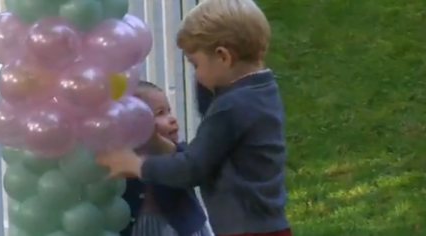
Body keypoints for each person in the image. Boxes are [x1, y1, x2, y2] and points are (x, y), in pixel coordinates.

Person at [98, 0, 292, 236]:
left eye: (195, 64)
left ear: (223, 57)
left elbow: (191, 169)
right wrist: (163, 145)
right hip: (270, 225)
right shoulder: (263, 91)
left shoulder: (230, 107)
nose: (196, 75)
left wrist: (136, 165)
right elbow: (211, 153)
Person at [120, 81, 211, 236]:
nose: (172, 118)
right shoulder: (122, 159)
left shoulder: (179, 153)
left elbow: (189, 165)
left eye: (169, 111)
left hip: (182, 229)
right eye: (160, 113)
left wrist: (158, 142)